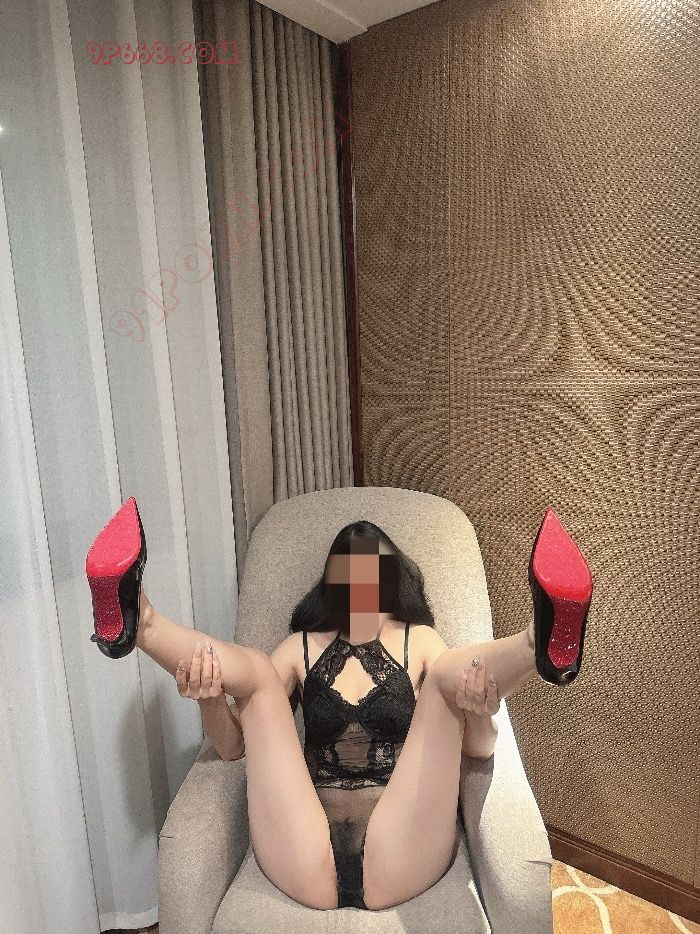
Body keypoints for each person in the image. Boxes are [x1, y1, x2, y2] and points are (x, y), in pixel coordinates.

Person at [132, 520, 543, 911]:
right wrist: (209, 700)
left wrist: (481, 712)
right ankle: (141, 624)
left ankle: (535, 643)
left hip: (403, 849)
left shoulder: (419, 640)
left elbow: (479, 748)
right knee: (257, 672)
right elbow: (232, 746)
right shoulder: (299, 647)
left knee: (443, 679)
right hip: (305, 851)